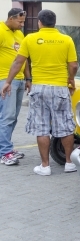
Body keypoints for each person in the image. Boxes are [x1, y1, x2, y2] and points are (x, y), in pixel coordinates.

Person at [1, 10, 78, 175]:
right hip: (60, 87)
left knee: (42, 127)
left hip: (39, 88)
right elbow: (73, 65)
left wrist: (8, 82)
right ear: (54, 23)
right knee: (65, 126)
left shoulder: (29, 39)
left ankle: (45, 166)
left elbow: (18, 62)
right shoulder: (67, 39)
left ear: (39, 22)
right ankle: (69, 163)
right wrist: (71, 79)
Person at [0, 8, 32, 166]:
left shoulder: (20, 34)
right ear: (11, 18)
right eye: (20, 22)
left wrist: (28, 78)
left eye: (23, 22)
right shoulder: (0, 30)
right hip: (5, 80)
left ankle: (7, 148)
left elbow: (23, 58)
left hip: (19, 80)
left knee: (12, 117)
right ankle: (4, 152)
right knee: (7, 116)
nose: (22, 24)